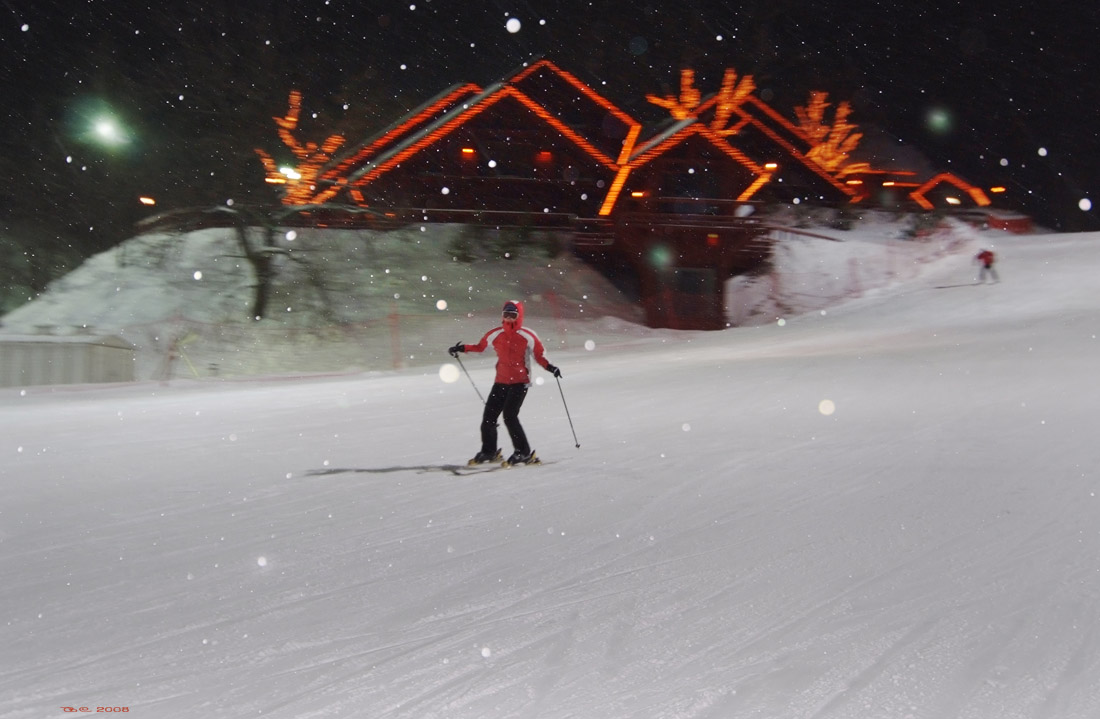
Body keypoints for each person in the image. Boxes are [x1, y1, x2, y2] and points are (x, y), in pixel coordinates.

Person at [449, 300, 561, 466]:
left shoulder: (527, 335)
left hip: (520, 382)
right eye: (506, 314)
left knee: (509, 416)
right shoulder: (495, 334)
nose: (508, 318)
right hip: (501, 381)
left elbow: (539, 355)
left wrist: (551, 367)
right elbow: (480, 347)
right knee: (489, 417)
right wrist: (462, 348)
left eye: (512, 315)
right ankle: (489, 452)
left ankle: (523, 453)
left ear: (519, 316)